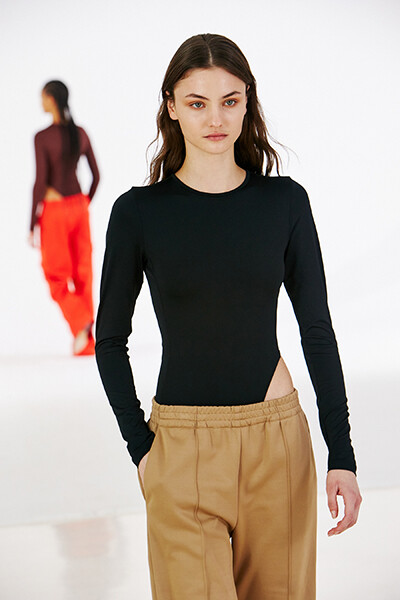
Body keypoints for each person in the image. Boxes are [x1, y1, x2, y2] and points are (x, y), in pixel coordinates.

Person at [95, 33, 362, 599]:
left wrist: (342, 453)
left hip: (277, 446)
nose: (215, 118)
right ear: (171, 106)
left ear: (247, 102)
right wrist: (141, 449)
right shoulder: (138, 213)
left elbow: (317, 330)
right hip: (180, 449)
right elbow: (110, 339)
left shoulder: (285, 202)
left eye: (230, 101)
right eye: (197, 103)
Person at [30, 80, 100, 356]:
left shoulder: (42, 137)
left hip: (55, 210)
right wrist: (84, 204)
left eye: (42, 97)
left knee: (56, 276)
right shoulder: (80, 133)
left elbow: (40, 183)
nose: (41, 102)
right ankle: (87, 342)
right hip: (79, 208)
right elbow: (96, 176)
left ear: (50, 99)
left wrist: (32, 223)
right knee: (83, 273)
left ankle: (82, 322)